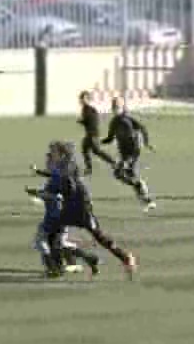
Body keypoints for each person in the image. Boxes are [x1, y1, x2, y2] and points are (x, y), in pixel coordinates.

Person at [55, 140, 138, 279]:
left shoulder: (66, 165)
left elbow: (70, 185)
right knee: (56, 233)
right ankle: (67, 263)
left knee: (97, 235)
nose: (52, 154)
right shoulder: (65, 164)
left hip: (79, 206)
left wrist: (56, 193)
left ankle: (124, 258)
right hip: (74, 204)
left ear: (61, 153)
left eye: (55, 151)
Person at [29, 143, 100, 277]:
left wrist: (40, 194)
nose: (47, 162)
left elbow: (59, 196)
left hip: (56, 216)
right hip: (60, 215)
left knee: (42, 241)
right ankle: (89, 258)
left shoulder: (59, 175)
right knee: (60, 243)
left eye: (49, 159)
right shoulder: (58, 173)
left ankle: (54, 269)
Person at [101, 97, 156, 212]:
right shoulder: (114, 122)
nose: (115, 109)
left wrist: (146, 143)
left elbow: (142, 128)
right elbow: (110, 138)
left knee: (119, 172)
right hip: (124, 153)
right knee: (127, 174)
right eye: (114, 107)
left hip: (133, 151)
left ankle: (140, 186)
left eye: (117, 107)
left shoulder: (128, 120)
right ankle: (147, 199)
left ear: (122, 107)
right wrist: (100, 142)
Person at [77, 91, 115, 176]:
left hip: (93, 134)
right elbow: (89, 121)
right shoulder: (85, 109)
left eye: (83, 99)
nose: (81, 100)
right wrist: (83, 122)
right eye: (81, 98)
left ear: (87, 99)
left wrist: (82, 121)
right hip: (90, 134)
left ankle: (114, 163)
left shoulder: (90, 109)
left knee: (97, 151)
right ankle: (89, 169)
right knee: (85, 150)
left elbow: (93, 122)